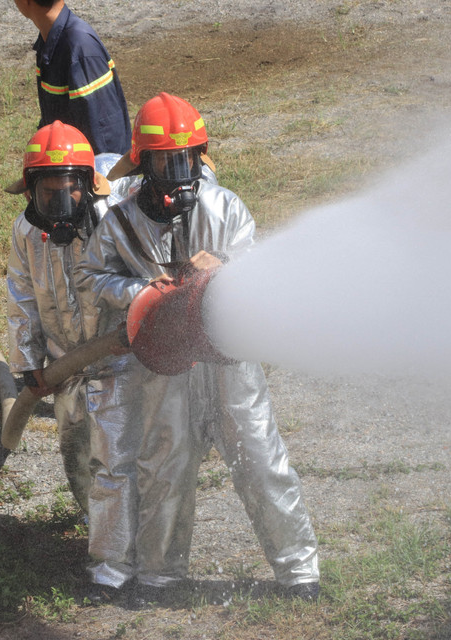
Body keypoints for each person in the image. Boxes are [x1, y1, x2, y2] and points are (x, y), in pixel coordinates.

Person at [75, 92, 320, 605]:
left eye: (187, 159)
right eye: (166, 161)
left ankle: (299, 572)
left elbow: (255, 273)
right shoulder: (118, 220)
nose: (179, 173)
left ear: (200, 157)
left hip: (228, 356)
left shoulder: (226, 207)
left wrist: (223, 275)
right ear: (142, 164)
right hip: (164, 363)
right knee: (165, 462)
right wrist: (141, 291)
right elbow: (92, 274)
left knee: (259, 457)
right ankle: (163, 576)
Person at [6, 120, 116, 512]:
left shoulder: (113, 220)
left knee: (124, 455)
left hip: (122, 362)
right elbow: (21, 294)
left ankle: (131, 538)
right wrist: (27, 361)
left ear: (86, 185)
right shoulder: (26, 231)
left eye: (69, 192)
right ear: (31, 191)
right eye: (47, 195)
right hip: (64, 366)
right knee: (77, 453)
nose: (60, 206)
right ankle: (96, 532)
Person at [12, 0, 131, 176]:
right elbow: (55, 119)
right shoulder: (50, 40)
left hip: (98, 180)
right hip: (73, 171)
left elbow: (105, 141)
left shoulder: (80, 49)